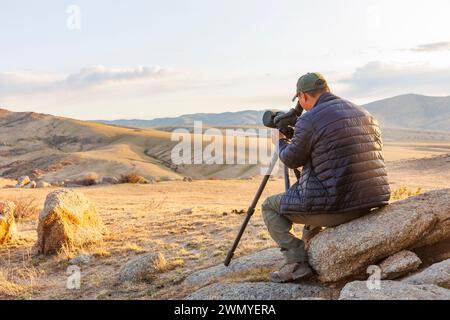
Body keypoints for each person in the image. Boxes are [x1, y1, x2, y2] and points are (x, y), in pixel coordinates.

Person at [263, 72, 391, 283]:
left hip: (340, 207)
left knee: (270, 207)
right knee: (310, 188)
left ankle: (296, 262)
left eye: (301, 101)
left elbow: (291, 160)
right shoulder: (364, 113)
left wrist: (280, 142)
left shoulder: (310, 120)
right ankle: (312, 241)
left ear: (303, 96)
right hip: (372, 200)